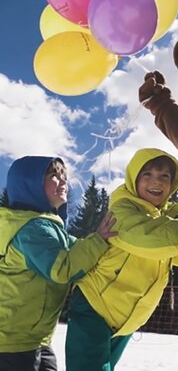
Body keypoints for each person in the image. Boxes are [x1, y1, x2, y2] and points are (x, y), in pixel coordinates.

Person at [65, 148, 178, 371]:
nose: (155, 182)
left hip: (129, 319)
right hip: (96, 306)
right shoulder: (122, 211)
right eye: (146, 174)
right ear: (133, 179)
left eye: (164, 176)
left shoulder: (162, 223)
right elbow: (145, 237)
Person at [0, 156, 117, 371]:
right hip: (11, 342)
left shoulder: (52, 230)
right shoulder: (30, 230)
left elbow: (80, 251)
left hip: (36, 339)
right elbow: (62, 268)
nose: (63, 181)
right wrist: (98, 240)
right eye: (54, 175)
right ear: (29, 183)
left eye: (64, 176)